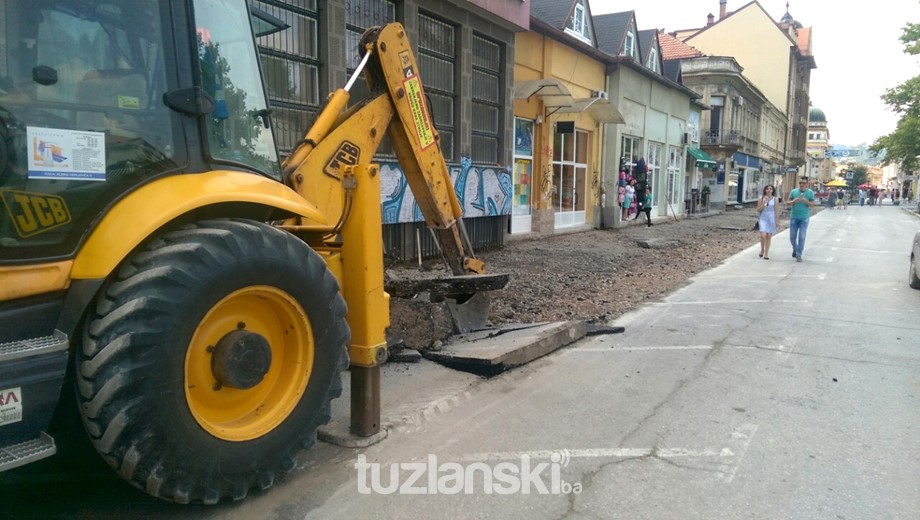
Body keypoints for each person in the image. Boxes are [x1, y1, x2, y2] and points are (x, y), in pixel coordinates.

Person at [788, 178, 815, 262]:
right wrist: (794, 201)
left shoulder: (810, 193)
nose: (801, 184)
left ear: (807, 184)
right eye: (800, 183)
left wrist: (805, 201)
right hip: (794, 216)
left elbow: (812, 205)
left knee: (802, 236)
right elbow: (787, 202)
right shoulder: (794, 191)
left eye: (803, 183)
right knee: (792, 237)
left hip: (804, 217)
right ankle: (795, 248)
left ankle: (799, 254)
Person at [756, 184, 779, 259]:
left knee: (769, 236)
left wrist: (777, 221)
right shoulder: (761, 198)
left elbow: (776, 210)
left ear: (773, 190)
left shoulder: (775, 199)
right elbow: (758, 209)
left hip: (771, 218)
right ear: (765, 190)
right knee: (763, 235)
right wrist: (763, 203)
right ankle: (762, 249)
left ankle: (766, 253)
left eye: (770, 189)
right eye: (767, 189)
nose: (769, 190)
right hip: (763, 217)